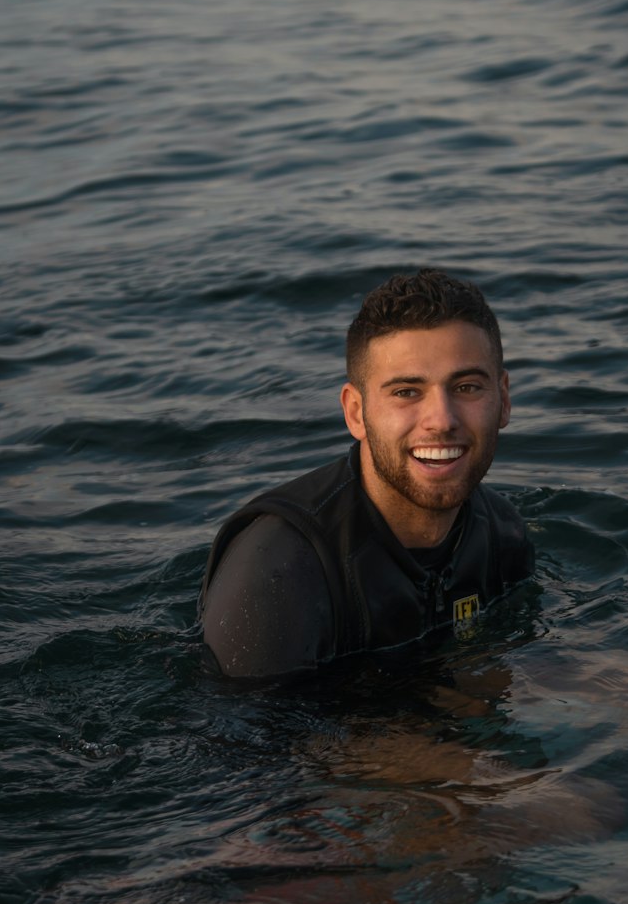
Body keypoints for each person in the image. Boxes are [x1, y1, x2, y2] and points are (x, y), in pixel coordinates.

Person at [200, 268, 535, 678]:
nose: (442, 420)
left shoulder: (503, 534)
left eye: (466, 387)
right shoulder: (281, 567)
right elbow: (240, 737)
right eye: (406, 392)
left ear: (503, 400)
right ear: (355, 413)